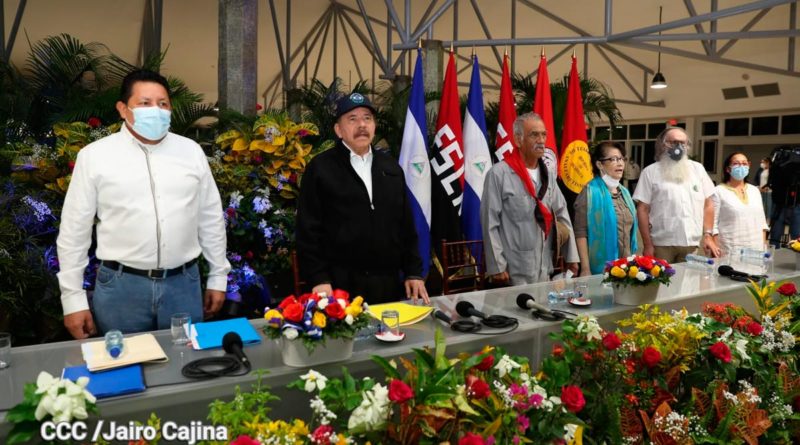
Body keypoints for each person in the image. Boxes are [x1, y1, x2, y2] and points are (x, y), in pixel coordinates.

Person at [57, 69, 231, 339]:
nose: (156, 111)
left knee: (187, 368)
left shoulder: (191, 152)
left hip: (183, 285)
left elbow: (209, 218)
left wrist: (219, 277)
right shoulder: (95, 156)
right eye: (145, 103)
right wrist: (73, 300)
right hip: (121, 288)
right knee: (124, 371)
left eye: (163, 104)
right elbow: (74, 231)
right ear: (123, 108)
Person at [295, 92, 429, 304]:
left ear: (374, 126)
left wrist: (413, 272)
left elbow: (406, 226)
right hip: (339, 286)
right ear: (338, 130)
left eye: (367, 118)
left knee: (390, 335)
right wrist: (318, 277)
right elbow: (308, 230)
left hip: (387, 283)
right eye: (352, 119)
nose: (362, 125)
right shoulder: (320, 169)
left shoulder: (391, 168)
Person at [480, 112, 579, 285]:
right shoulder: (499, 174)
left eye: (544, 134)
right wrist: (497, 265)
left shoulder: (547, 175)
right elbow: (490, 222)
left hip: (543, 268)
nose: (541, 140)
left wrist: (571, 256)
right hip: (512, 272)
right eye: (534, 135)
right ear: (518, 140)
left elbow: (562, 214)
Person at [632, 127, 720, 263]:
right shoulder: (650, 172)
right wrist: (648, 244)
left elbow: (708, 204)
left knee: (689, 283)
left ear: (687, 146)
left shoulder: (697, 169)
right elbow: (642, 209)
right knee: (662, 283)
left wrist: (708, 235)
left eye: (682, 143)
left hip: (691, 243)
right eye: (673, 142)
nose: (678, 146)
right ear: (663, 144)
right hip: (661, 244)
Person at [574, 141, 638, 276]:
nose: (620, 163)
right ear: (599, 164)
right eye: (613, 159)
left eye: (621, 159)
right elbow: (581, 233)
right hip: (601, 270)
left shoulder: (625, 193)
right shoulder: (590, 193)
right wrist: (585, 268)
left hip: (627, 267)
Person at [710, 152, 768, 254]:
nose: (741, 166)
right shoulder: (718, 191)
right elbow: (712, 225)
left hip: (756, 250)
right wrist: (715, 248)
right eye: (736, 163)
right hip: (730, 249)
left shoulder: (754, 190)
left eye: (744, 164)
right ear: (728, 169)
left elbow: (762, 222)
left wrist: (763, 246)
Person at [754, 157, 772, 222]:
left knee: (768, 205)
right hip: (760, 190)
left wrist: (765, 187)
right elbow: (756, 179)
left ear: (768, 163)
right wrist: (758, 187)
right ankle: (761, 218)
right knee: (761, 204)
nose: (762, 164)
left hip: (768, 191)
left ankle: (768, 219)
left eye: (763, 162)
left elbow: (771, 181)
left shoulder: (771, 170)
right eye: (761, 162)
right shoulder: (760, 170)